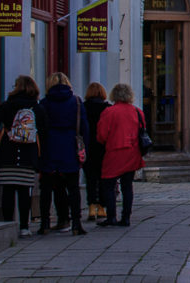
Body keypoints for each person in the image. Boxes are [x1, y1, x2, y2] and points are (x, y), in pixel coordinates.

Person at [0, 75, 46, 237]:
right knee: (24, 191)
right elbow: (44, 131)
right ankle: (24, 227)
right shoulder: (37, 108)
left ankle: (7, 225)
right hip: (28, 154)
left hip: (7, 153)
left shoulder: (6, 106)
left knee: (8, 190)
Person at [38, 72, 89, 235]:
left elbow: (40, 128)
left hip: (50, 147)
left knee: (48, 187)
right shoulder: (76, 102)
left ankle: (45, 223)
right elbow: (84, 128)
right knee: (73, 187)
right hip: (70, 147)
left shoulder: (44, 103)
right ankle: (76, 223)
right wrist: (83, 146)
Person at [96, 83, 146, 226]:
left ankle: (111, 216)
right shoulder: (137, 111)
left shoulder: (109, 112)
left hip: (114, 151)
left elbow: (101, 135)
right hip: (132, 152)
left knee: (108, 184)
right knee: (127, 185)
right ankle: (126, 217)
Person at [82, 82, 111, 221]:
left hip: (88, 147)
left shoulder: (83, 107)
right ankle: (102, 207)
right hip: (103, 147)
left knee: (90, 178)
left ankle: (91, 206)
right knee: (103, 178)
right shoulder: (107, 108)